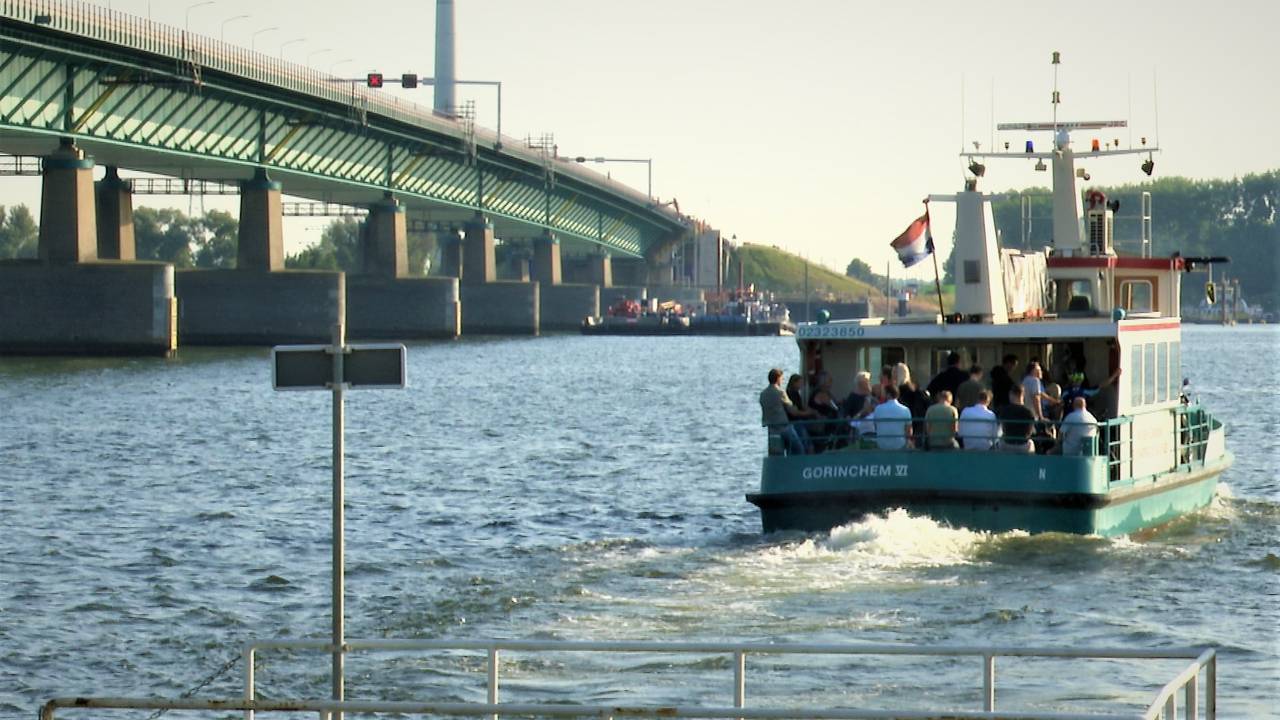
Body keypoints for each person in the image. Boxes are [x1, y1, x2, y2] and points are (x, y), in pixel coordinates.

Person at [759, 368, 806, 455]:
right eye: (781, 378)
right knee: (798, 448)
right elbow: (791, 410)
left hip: (771, 428)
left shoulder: (763, 394)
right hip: (783, 426)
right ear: (778, 378)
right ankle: (796, 465)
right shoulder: (780, 392)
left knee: (777, 454)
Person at [996, 383, 1036, 453]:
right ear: (1023, 395)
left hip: (1007, 445)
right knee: (1031, 442)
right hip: (1024, 446)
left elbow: (1002, 429)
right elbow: (1030, 432)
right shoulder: (1029, 412)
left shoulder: (1004, 410)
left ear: (1011, 394)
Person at [872, 383, 913, 450]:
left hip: (882, 444)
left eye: (884, 392)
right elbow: (909, 430)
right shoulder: (905, 409)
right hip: (900, 445)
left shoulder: (878, 409)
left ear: (888, 394)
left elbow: (876, 427)